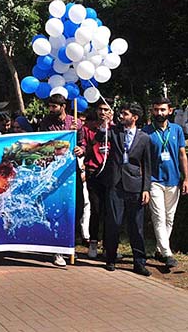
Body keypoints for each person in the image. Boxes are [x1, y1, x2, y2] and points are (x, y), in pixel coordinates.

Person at [97, 103, 152, 276]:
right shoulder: (114, 132)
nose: (122, 116)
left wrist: (146, 188)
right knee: (113, 222)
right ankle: (111, 258)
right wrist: (105, 124)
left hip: (135, 185)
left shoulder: (144, 138)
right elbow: (100, 137)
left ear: (134, 118)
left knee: (136, 225)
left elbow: (147, 166)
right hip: (115, 184)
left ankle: (139, 262)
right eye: (120, 113)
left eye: (125, 114)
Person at [141, 97, 188, 268]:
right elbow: (141, 159)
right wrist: (144, 184)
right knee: (159, 217)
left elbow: (182, 155)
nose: (158, 113)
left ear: (170, 111)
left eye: (162, 110)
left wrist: (186, 179)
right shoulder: (146, 131)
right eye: (155, 109)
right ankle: (168, 253)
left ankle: (160, 249)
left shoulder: (177, 130)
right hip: (154, 180)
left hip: (174, 180)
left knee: (169, 218)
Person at [39, 94, 82, 267]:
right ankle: (57, 250)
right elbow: (42, 145)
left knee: (76, 207)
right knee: (55, 208)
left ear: (63, 106)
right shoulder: (46, 123)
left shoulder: (76, 122)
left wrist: (80, 146)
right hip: (53, 172)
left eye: (54, 107)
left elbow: (84, 142)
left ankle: (71, 244)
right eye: (49, 106)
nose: (51, 110)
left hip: (71, 172)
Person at [75, 100, 114, 258]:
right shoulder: (87, 129)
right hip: (94, 172)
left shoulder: (117, 129)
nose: (103, 113)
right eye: (100, 110)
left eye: (106, 109)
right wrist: (81, 150)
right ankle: (93, 242)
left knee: (109, 211)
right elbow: (84, 146)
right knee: (96, 209)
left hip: (112, 174)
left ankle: (108, 245)